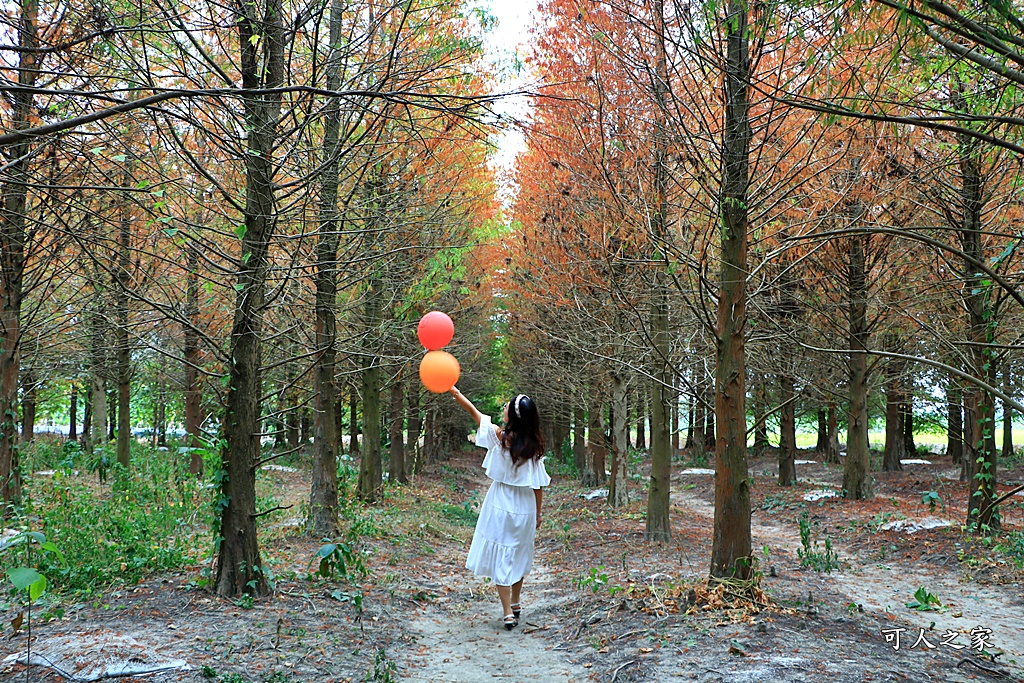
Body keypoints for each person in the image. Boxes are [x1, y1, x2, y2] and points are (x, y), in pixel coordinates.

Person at [449, 386, 550, 631]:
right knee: (517, 553)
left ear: (513, 416)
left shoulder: (500, 438)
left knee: (503, 555)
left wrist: (456, 393)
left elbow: (475, 413)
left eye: (506, 406)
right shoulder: (535, 446)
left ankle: (507, 611)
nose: (503, 408)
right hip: (525, 504)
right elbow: (538, 486)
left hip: (501, 501)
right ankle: (515, 602)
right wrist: (537, 513)